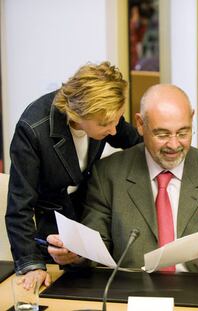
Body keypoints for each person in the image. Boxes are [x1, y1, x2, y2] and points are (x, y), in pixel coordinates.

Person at [47, 84, 198, 273]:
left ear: (192, 118)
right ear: (140, 124)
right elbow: (95, 243)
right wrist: (75, 253)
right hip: (131, 292)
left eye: (183, 132)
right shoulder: (108, 173)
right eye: (162, 134)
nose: (174, 145)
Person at [5, 61, 141, 288]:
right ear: (79, 115)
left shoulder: (105, 116)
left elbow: (134, 140)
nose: (114, 129)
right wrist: (31, 264)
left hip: (87, 222)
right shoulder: (32, 129)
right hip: (50, 233)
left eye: (118, 118)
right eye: (107, 124)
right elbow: (19, 206)